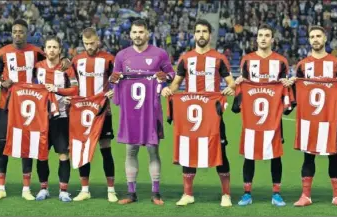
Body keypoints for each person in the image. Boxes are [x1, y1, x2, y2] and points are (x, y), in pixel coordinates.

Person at [0, 19, 71, 200]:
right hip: (6, 105)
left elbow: (54, 60)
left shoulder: (36, 53)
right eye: (14, 31)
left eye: (21, 32)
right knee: (2, 145)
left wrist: (65, 59)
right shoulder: (3, 53)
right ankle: (1, 187)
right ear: (11, 33)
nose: (17, 34)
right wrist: (1, 83)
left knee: (27, 145)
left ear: (26, 33)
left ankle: (26, 189)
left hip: (29, 108)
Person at [160, 19, 235, 207]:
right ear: (194, 35)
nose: (201, 35)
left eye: (204, 31)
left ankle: (226, 194)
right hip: (191, 115)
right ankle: (188, 194)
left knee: (221, 152)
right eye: (198, 31)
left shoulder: (219, 58)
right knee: (188, 150)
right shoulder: (186, 58)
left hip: (213, 115)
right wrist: (169, 90)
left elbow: (231, 82)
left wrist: (230, 88)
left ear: (210, 35)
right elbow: (177, 83)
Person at [111, 19, 174, 205]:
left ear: (147, 34)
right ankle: (132, 193)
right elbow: (114, 80)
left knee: (153, 151)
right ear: (130, 34)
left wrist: (164, 79)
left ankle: (155, 192)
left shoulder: (160, 54)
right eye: (134, 32)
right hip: (130, 113)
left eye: (141, 32)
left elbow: (171, 74)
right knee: (130, 151)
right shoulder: (122, 56)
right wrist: (114, 80)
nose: (137, 35)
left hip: (151, 111)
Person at [290, 26, 337, 207]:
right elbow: (297, 90)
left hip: (330, 119)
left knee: (334, 156)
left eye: (318, 36)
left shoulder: (336, 63)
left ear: (325, 39)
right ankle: (305, 196)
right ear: (309, 40)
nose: (315, 39)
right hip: (309, 120)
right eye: (312, 37)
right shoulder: (302, 65)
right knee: (308, 156)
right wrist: (291, 83)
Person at [234, 24, 292, 207]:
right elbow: (242, 85)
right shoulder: (247, 60)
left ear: (272, 39)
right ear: (256, 38)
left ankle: (276, 194)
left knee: (276, 155)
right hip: (252, 118)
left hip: (273, 119)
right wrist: (238, 84)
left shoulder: (281, 61)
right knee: (249, 155)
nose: (264, 38)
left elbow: (285, 87)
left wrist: (286, 84)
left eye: (267, 35)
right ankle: (246, 193)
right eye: (261, 35)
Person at [70, 27, 118, 203]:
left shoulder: (108, 59)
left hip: (102, 112)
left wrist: (114, 92)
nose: (89, 46)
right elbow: (72, 83)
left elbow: (118, 80)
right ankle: (84, 190)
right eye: (86, 43)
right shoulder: (76, 61)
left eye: (92, 43)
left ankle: (111, 190)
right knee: (83, 151)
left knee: (106, 150)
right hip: (82, 114)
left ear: (98, 40)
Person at [32, 36, 78, 202]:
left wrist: (58, 90)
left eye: (54, 47)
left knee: (63, 154)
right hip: (41, 118)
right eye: (48, 47)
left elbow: (75, 89)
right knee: (41, 155)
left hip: (61, 117)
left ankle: (63, 190)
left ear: (60, 50)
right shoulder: (37, 67)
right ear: (44, 50)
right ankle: (43, 189)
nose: (51, 50)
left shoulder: (66, 68)